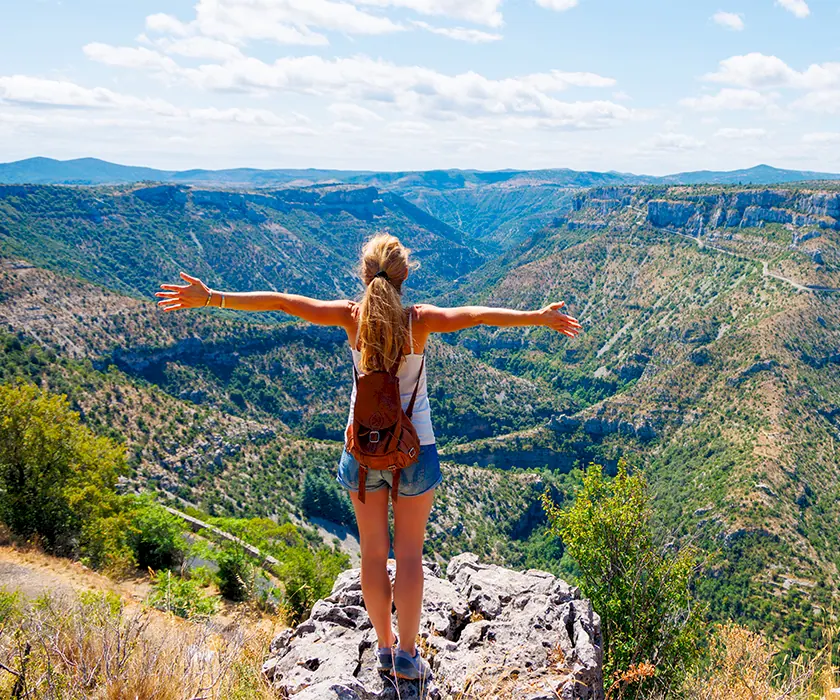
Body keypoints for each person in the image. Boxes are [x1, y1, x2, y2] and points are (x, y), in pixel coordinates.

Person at [156, 233, 582, 681]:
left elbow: (282, 302)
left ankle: (382, 648)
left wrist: (212, 298)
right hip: (415, 452)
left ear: (365, 274)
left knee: (373, 556)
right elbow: (476, 316)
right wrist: (536, 317)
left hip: (361, 453)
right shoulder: (419, 321)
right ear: (404, 276)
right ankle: (408, 655)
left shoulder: (350, 316)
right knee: (411, 557)